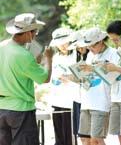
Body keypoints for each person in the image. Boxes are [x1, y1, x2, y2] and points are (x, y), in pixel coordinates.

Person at [0, 13, 53, 145]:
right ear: (28, 32)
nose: (36, 35)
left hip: (2, 109)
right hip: (21, 110)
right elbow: (45, 78)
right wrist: (49, 59)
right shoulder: (24, 55)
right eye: (35, 31)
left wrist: (34, 62)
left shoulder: (2, 46)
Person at [78, 27, 119, 145]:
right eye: (88, 46)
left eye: (92, 46)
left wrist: (93, 69)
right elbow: (89, 77)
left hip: (101, 102)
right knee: (85, 139)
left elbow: (112, 78)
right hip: (86, 102)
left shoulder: (113, 54)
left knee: (97, 139)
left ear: (100, 41)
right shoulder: (91, 55)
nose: (90, 49)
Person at [49, 27, 78, 145]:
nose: (62, 46)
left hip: (70, 102)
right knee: (59, 138)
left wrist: (68, 77)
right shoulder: (55, 58)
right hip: (56, 101)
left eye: (64, 42)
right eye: (59, 44)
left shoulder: (76, 55)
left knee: (69, 137)